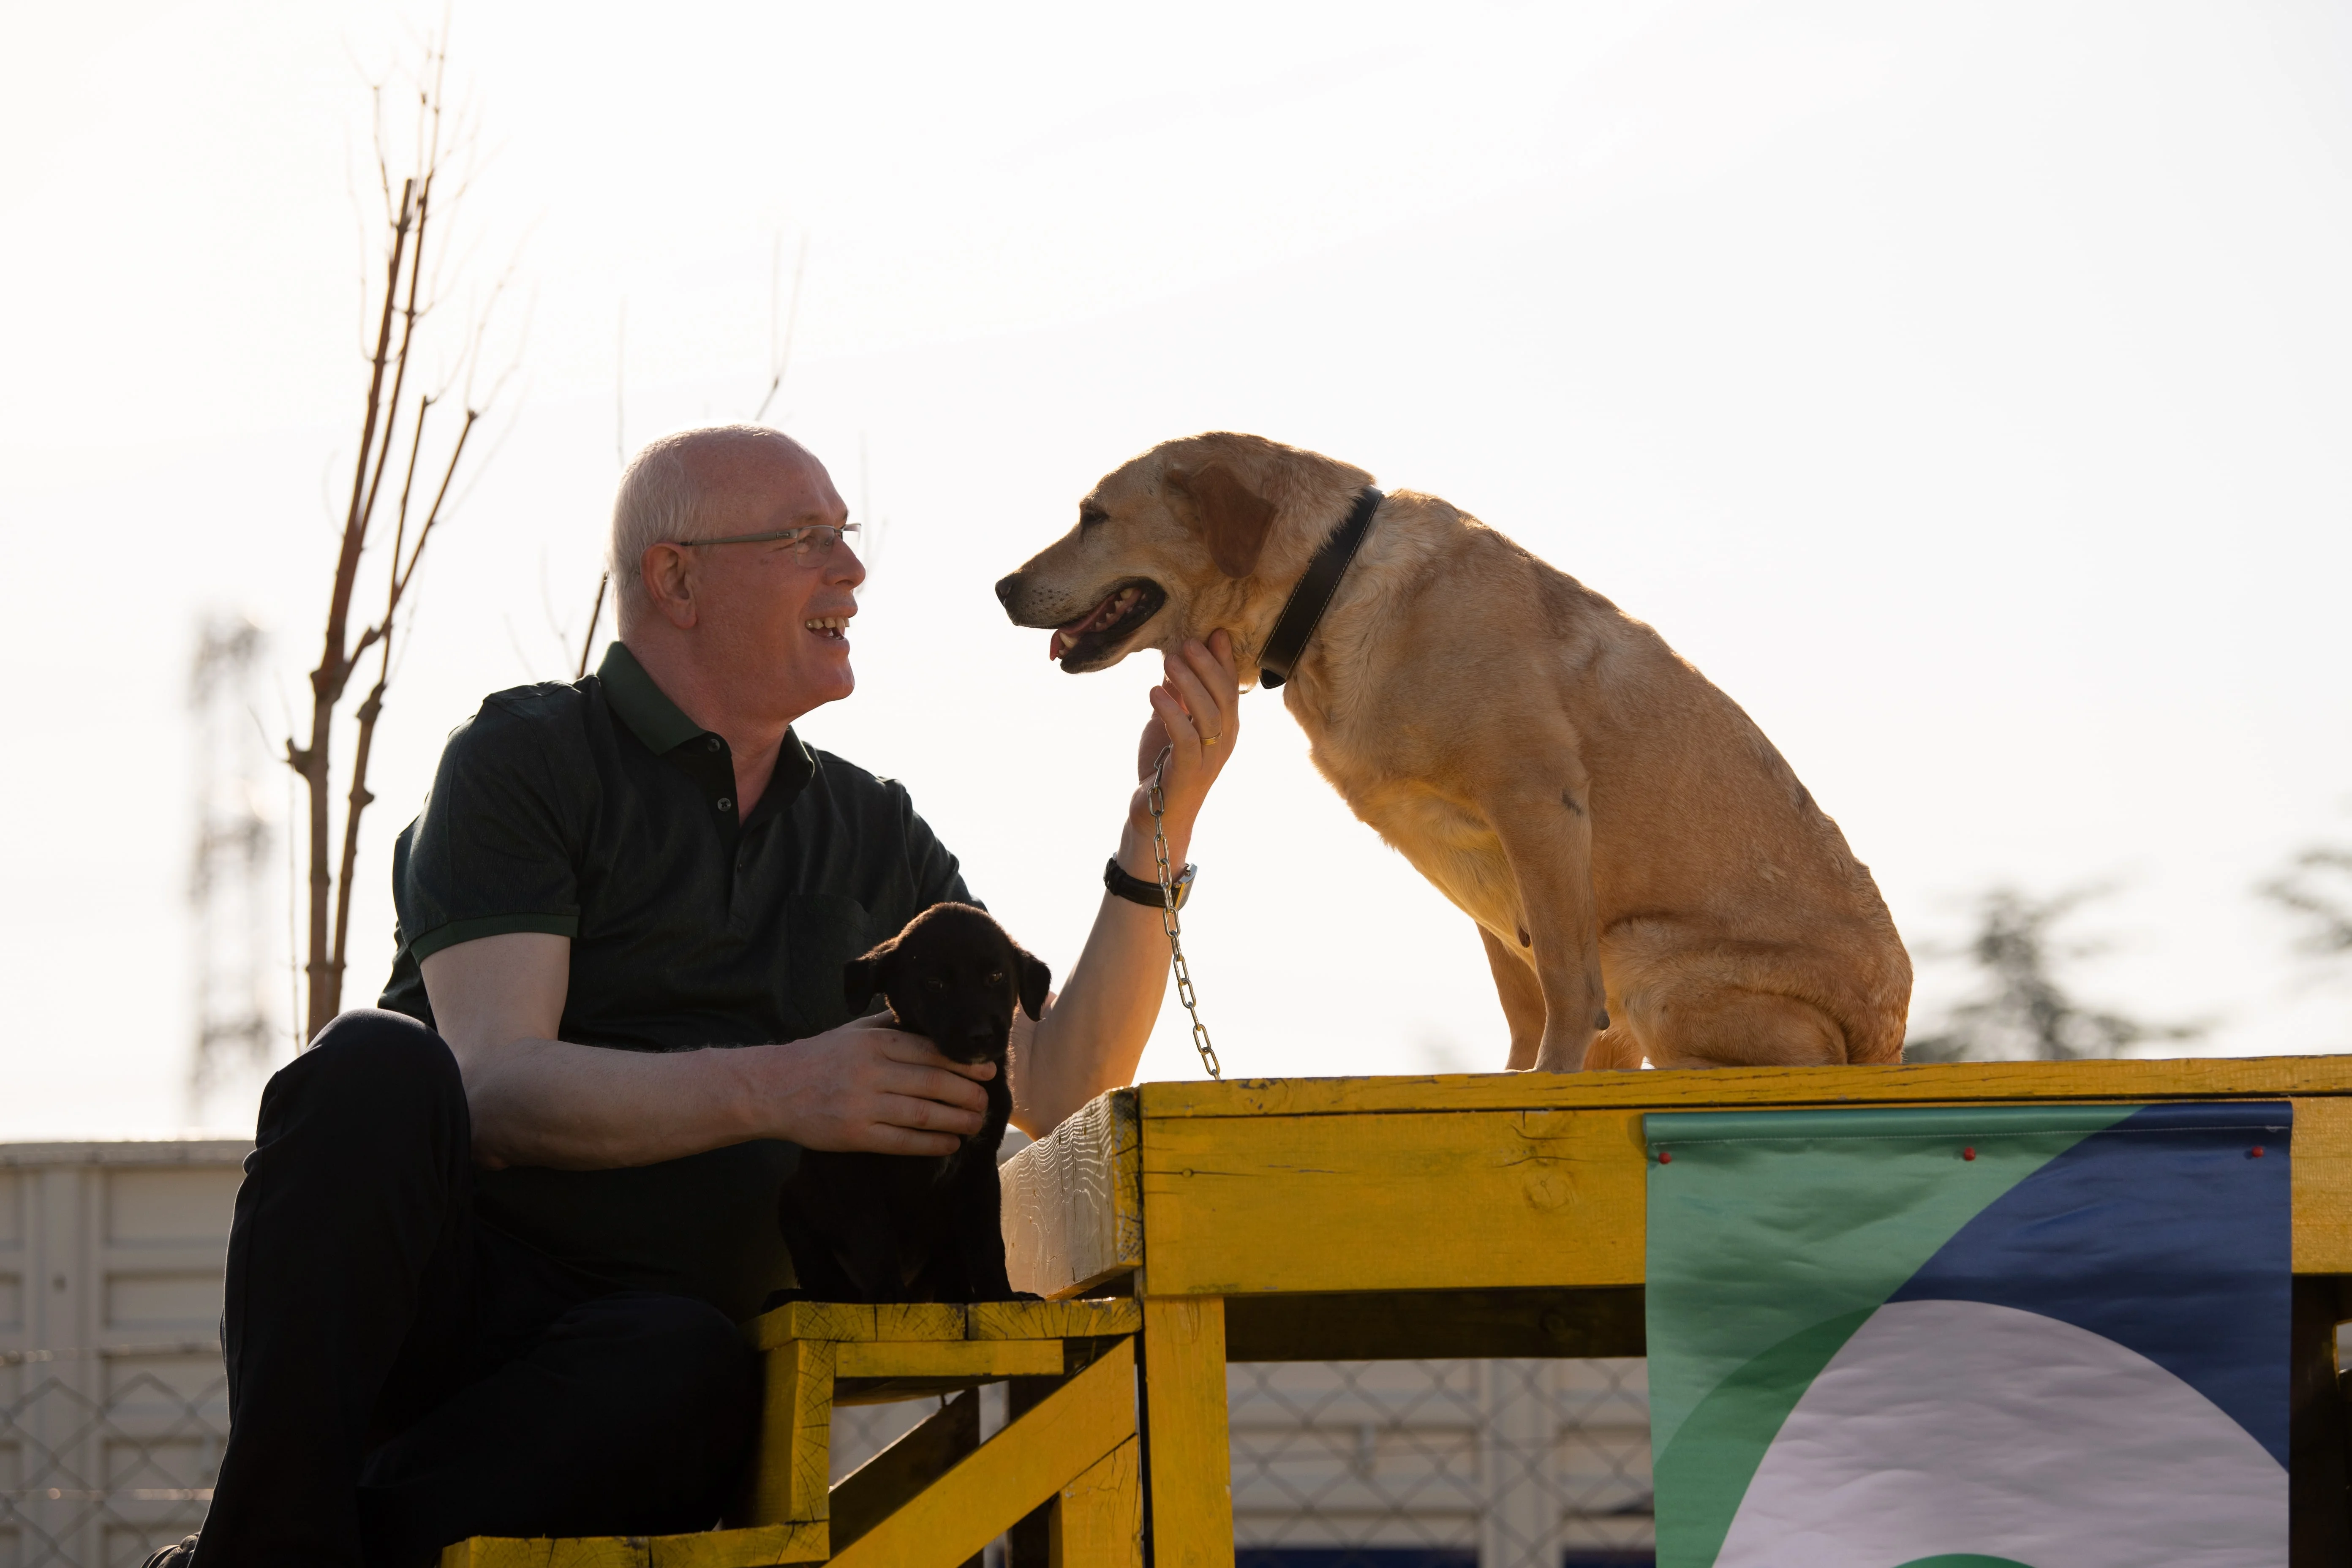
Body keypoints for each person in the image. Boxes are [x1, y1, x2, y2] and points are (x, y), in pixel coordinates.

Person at [171, 425, 1241, 1568]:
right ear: (676, 579)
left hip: (641, 1374)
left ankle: (302, 1553)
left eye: (849, 534)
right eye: (805, 538)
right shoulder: (525, 757)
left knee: (687, 1367)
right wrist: (789, 1086)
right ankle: (265, 1549)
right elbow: (493, 1085)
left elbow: (1059, 1080)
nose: (853, 569)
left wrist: (1155, 831)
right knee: (367, 1066)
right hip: (446, 1313)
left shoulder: (873, 830)